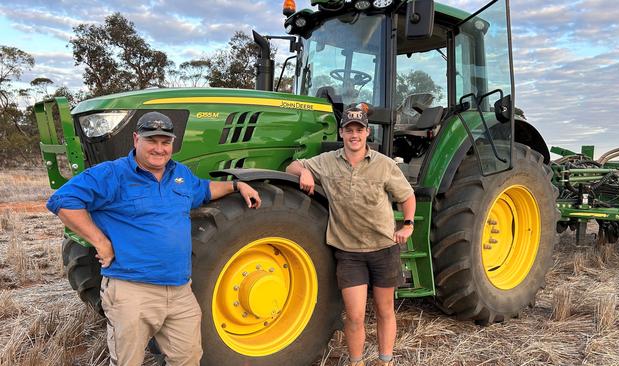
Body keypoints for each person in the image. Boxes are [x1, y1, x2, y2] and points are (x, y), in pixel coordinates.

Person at [46, 111, 261, 366]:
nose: (159, 149)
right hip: (132, 290)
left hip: (180, 291)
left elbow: (204, 189)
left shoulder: (180, 174)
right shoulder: (112, 174)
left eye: (165, 142)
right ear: (136, 139)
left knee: (189, 359)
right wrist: (100, 242)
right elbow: (62, 200)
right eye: (152, 140)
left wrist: (237, 186)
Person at [286, 105, 415, 366]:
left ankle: (385, 361)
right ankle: (356, 362)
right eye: (349, 130)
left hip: (383, 248)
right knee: (354, 316)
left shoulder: (384, 165)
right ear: (342, 133)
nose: (354, 135)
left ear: (367, 132)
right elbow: (292, 167)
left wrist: (408, 224)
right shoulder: (327, 161)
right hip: (349, 253)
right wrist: (305, 171)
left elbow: (407, 196)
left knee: (384, 310)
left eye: (359, 130)